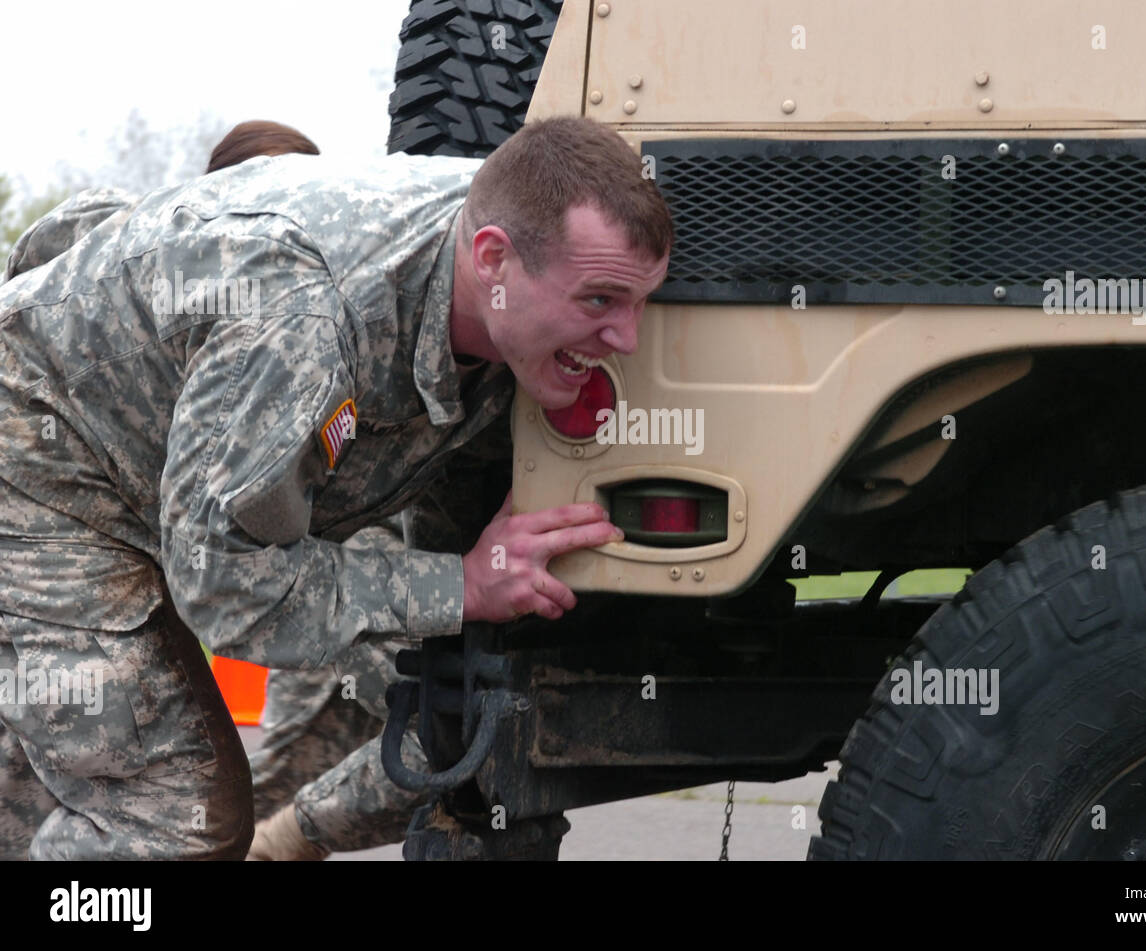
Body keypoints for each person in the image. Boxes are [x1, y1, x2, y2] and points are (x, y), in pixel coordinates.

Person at [0, 115, 671, 859]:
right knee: (171, 816)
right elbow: (226, 585)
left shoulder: (509, 232)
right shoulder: (306, 321)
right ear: (494, 260)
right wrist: (462, 586)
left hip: (168, 487)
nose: (628, 340)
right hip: (46, 471)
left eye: (641, 302)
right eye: (600, 303)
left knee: (33, 787)